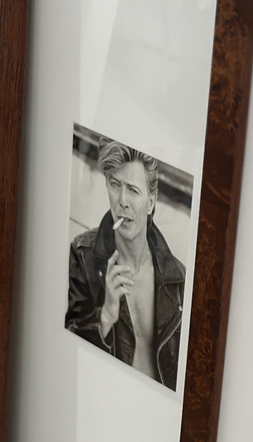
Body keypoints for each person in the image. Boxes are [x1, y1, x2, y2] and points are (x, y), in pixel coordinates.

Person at [65, 137, 185, 391]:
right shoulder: (82, 255)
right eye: (115, 184)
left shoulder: (178, 279)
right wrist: (106, 315)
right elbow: (68, 359)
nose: (122, 201)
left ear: (151, 202)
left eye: (133, 189)